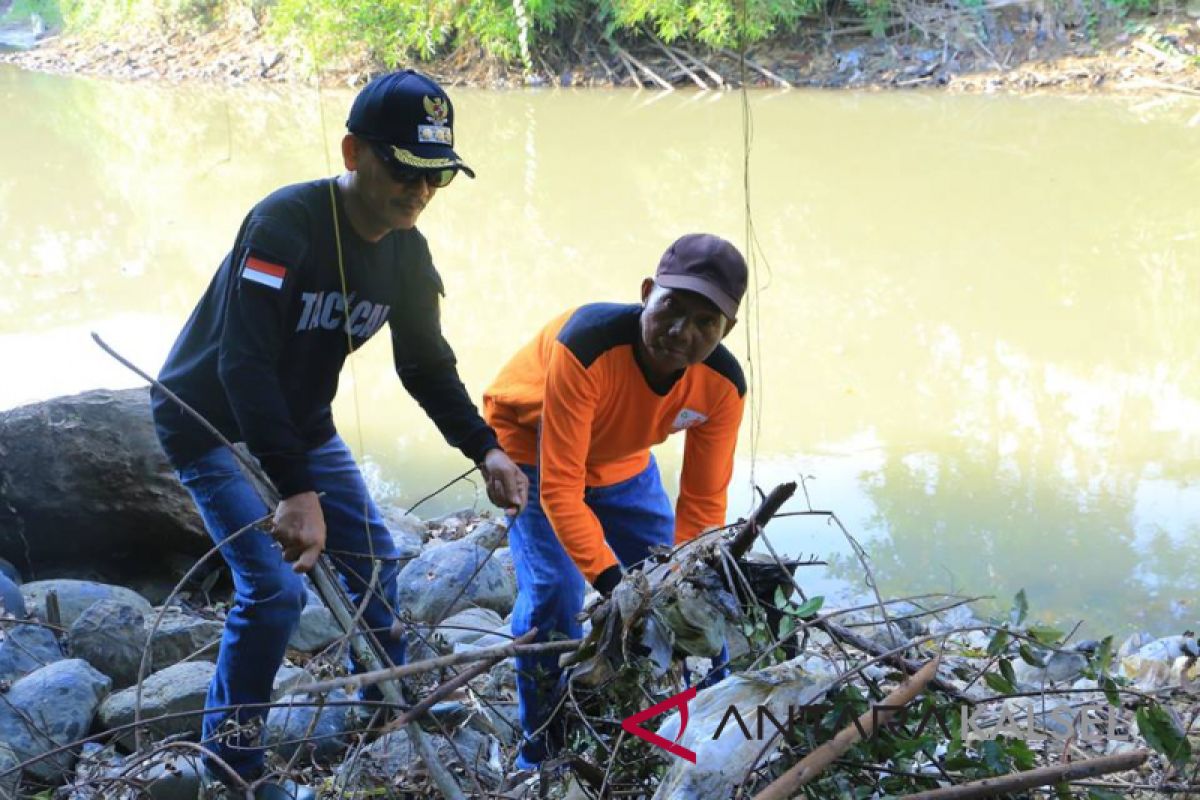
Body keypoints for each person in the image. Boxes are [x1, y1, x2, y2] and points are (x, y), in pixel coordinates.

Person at [151, 69, 528, 799]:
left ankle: (382, 691)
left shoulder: (406, 253)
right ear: (354, 152)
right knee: (272, 594)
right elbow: (243, 363)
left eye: (436, 176)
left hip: (299, 418)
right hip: (208, 417)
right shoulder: (284, 223)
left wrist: (484, 447)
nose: (418, 192)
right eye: (403, 170)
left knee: (374, 557)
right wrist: (296, 491)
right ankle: (231, 768)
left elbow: (425, 364)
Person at [482, 233, 749, 769]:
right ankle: (540, 748)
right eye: (672, 307)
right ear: (648, 292)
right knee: (556, 593)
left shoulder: (722, 385)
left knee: (695, 589)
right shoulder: (588, 345)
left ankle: (715, 728)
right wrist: (615, 585)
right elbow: (560, 488)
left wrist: (680, 580)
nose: (681, 332)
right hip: (533, 446)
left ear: (726, 331)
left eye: (705, 322)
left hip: (623, 457)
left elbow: (701, 506)